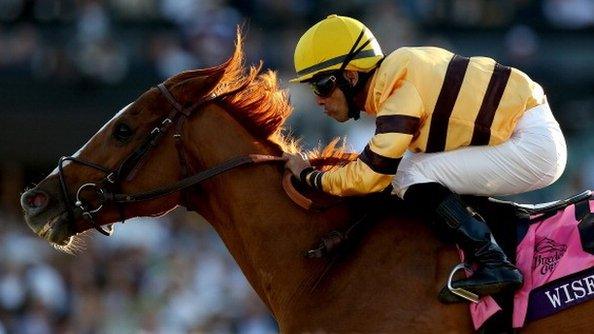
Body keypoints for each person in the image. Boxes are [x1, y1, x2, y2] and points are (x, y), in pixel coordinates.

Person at [284, 14, 567, 298]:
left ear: (350, 76)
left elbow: (371, 176)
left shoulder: (397, 90)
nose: (318, 99)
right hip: (526, 132)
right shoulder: (398, 71)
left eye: (322, 85)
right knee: (413, 168)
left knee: (409, 172)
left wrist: (311, 177)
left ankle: (494, 263)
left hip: (532, 144)